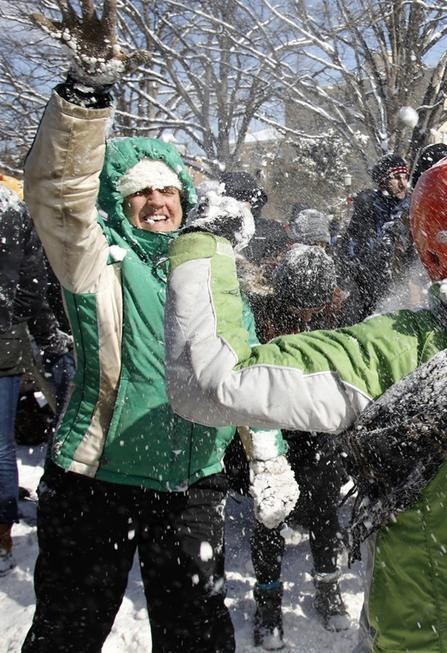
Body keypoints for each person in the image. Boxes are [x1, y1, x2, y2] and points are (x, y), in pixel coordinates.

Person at [162, 146, 447, 653]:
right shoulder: (399, 347)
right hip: (432, 636)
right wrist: (204, 242)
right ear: (445, 241)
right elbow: (213, 381)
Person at [22, 6, 295, 651]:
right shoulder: (93, 258)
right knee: (68, 634)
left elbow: (245, 368)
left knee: (198, 637)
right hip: (96, 482)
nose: (156, 201)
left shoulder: (211, 265)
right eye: (140, 192)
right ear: (120, 201)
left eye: (167, 190)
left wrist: (269, 458)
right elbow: (58, 188)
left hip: (190, 484)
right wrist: (87, 96)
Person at [246, 245, 351, 648]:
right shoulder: (261, 308)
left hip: (320, 423)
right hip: (271, 421)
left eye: (315, 308)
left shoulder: (342, 306)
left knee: (325, 508)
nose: (307, 317)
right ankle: (268, 601)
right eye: (298, 309)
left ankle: (328, 588)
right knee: (270, 511)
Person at [0, 185, 72, 576]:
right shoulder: (16, 214)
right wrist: (50, 337)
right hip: (16, 340)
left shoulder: (22, 215)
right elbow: (30, 288)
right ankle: (6, 534)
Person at [343, 153, 412, 320]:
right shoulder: (369, 207)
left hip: (406, 287)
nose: (403, 183)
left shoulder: (411, 205)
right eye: (396, 178)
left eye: (405, 177)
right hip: (371, 289)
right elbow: (352, 247)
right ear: (383, 182)